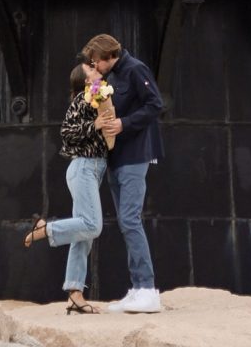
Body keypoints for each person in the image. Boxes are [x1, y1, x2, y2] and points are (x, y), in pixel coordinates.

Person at [82, 33, 164, 314]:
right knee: (126, 221)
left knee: (130, 219)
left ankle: (147, 289)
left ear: (108, 56)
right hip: (117, 156)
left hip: (135, 155)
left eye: (97, 62)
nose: (96, 66)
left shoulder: (135, 69)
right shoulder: (111, 76)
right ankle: (138, 288)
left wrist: (124, 123)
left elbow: (155, 105)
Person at [23, 62, 108, 314]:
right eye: (90, 70)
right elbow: (67, 132)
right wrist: (96, 125)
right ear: (85, 81)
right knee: (93, 225)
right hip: (84, 168)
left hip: (90, 169)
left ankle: (74, 294)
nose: (95, 69)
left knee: (84, 234)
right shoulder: (84, 98)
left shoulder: (96, 95)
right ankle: (46, 229)